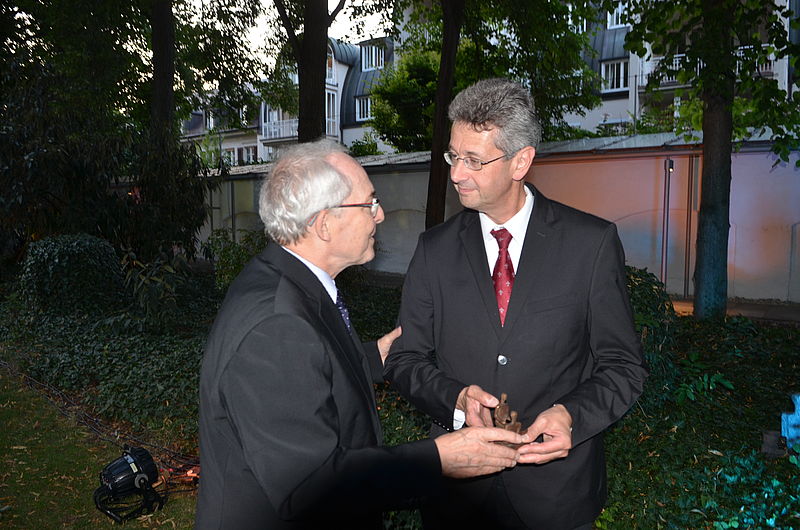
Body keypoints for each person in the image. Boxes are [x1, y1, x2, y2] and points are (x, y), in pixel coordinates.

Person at [195, 139, 529, 529]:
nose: (381, 215)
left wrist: (370, 357)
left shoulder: (283, 280)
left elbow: (300, 372)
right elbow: (311, 487)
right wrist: (439, 459)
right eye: (369, 203)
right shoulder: (277, 327)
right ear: (324, 224)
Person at [384, 78, 649, 529]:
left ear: (520, 161)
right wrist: (455, 399)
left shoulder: (590, 243)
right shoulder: (434, 249)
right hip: (457, 497)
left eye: (473, 160)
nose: (456, 174)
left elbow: (624, 365)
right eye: (453, 156)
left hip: (557, 497)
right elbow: (405, 358)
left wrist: (571, 415)